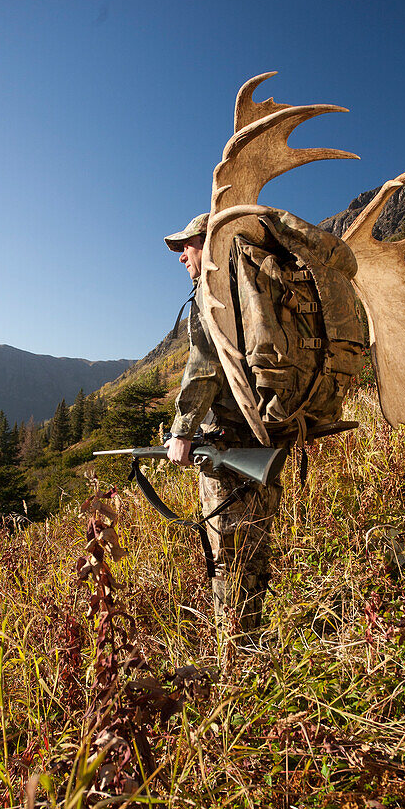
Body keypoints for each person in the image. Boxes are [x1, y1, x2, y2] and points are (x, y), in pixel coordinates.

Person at [163, 214, 283, 651]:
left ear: (208, 246)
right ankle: (252, 639)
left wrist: (181, 431)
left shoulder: (211, 296)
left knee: (225, 550)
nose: (181, 256)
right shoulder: (251, 293)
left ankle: (232, 650)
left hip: (229, 442)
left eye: (188, 246)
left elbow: (203, 368)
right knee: (254, 545)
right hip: (268, 436)